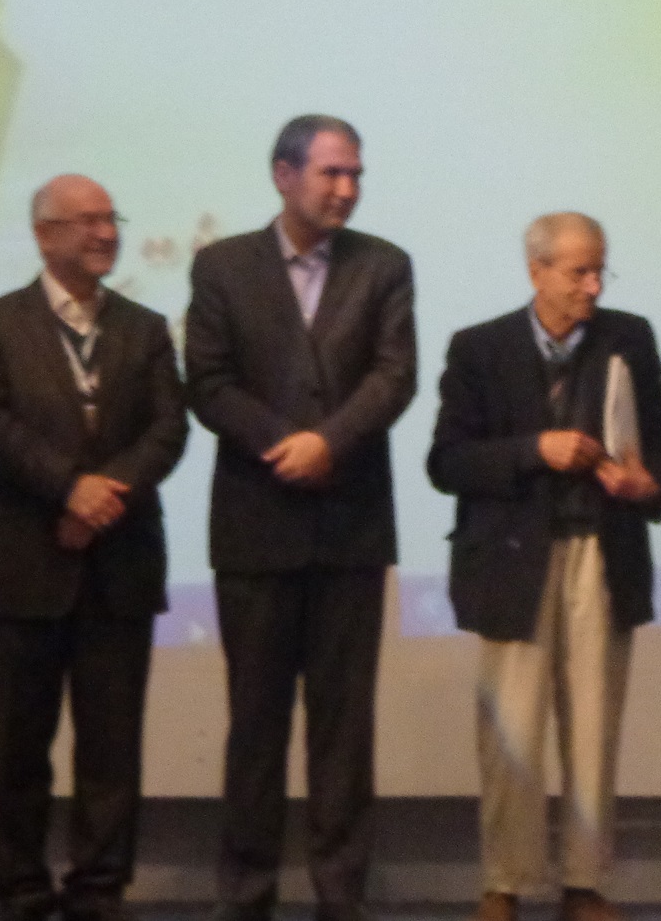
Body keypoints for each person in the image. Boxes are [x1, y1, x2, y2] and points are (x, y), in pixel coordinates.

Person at [185, 115, 417, 921]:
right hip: (256, 523)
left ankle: (340, 894)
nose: (347, 189)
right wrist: (286, 443)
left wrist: (331, 442)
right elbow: (208, 381)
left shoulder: (383, 264)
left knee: (343, 728)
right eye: (331, 173)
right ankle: (246, 892)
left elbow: (394, 375)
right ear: (284, 175)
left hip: (351, 528)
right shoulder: (222, 265)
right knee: (255, 724)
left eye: (356, 174)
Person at [427, 212, 661, 921]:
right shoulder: (479, 348)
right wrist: (533, 450)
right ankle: (504, 881)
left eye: (600, 270)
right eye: (578, 272)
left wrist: (649, 481)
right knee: (510, 731)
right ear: (536, 271)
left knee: (595, 726)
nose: (594, 286)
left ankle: (584, 883)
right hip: (512, 563)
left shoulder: (629, 338)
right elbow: (446, 461)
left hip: (603, 553)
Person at [0, 175, 188, 921]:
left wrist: (101, 499)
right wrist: (68, 489)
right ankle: (19, 885)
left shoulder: (145, 327)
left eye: (110, 218)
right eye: (87, 220)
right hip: (20, 564)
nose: (106, 233)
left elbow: (168, 429)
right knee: (17, 747)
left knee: (111, 748)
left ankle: (99, 887)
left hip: (119, 566)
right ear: (44, 234)